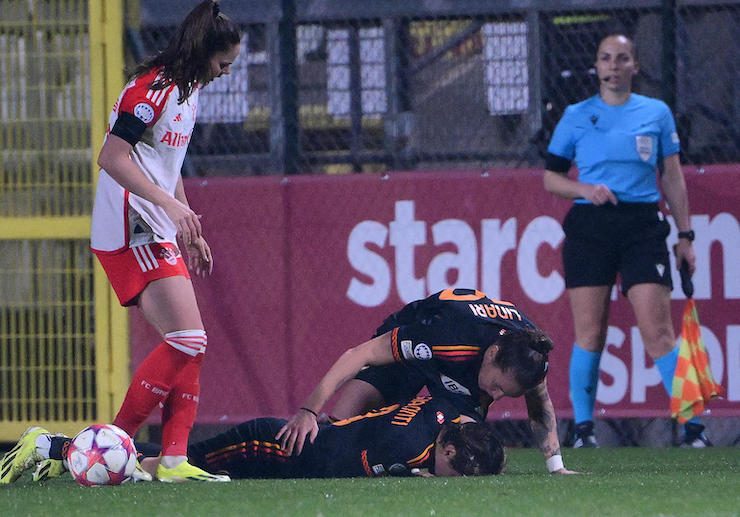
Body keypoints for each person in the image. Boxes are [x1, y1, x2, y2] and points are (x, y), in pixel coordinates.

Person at [1, 1, 242, 485]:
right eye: (223, 62)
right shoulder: (151, 89)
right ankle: (101, 447)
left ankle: (170, 462)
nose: (225, 72)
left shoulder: (188, 89)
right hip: (129, 226)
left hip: (155, 225)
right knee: (188, 339)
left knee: (191, 344)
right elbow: (111, 157)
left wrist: (186, 222)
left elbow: (167, 166)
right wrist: (170, 208)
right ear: (203, 52)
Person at [542, 33, 707, 448]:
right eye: (605, 58)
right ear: (597, 66)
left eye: (621, 58)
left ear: (634, 65)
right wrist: (585, 189)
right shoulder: (577, 115)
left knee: (658, 331)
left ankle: (693, 428)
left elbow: (672, 176)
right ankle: (583, 430)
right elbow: (551, 178)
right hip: (591, 227)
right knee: (590, 333)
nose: (613, 66)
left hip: (642, 226)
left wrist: (685, 235)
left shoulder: (656, 113)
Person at [276, 288, 578, 475]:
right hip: (418, 344)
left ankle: (414, 469)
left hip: (463, 368)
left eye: (506, 394)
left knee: (466, 452)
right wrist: (309, 411)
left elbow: (540, 408)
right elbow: (359, 354)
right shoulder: (449, 336)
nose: (496, 397)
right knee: (340, 428)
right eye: (498, 388)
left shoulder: (531, 357)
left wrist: (556, 467)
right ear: (491, 354)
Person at [3, 397, 505, 482]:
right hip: (270, 448)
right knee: (170, 468)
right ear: (450, 450)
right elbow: (361, 473)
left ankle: (61, 453)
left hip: (283, 450)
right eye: (459, 471)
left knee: (173, 466)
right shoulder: (407, 447)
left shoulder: (441, 416)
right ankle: (53, 446)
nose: (455, 480)